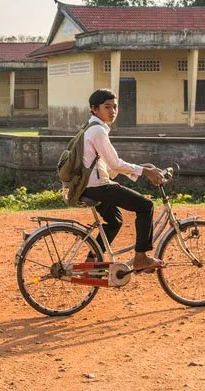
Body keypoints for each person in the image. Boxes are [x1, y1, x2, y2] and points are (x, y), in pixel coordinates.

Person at [81, 89, 167, 273]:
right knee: (146, 206)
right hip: (98, 187)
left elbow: (110, 168)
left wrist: (141, 169)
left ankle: (91, 262)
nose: (112, 111)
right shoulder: (97, 131)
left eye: (115, 107)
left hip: (89, 187)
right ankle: (141, 258)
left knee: (115, 221)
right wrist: (144, 171)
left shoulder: (91, 128)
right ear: (94, 109)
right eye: (107, 107)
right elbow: (115, 163)